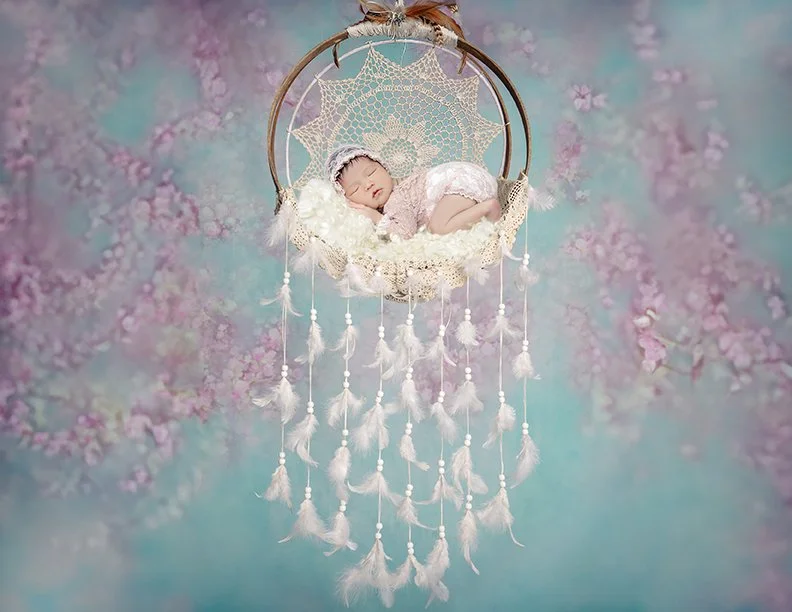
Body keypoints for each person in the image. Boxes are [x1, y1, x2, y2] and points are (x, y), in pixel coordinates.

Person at [326, 144, 501, 240]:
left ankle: (489, 208)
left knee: (438, 229)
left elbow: (405, 233)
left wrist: (375, 217)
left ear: (384, 167)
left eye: (371, 172)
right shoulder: (401, 192)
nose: (368, 184)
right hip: (470, 178)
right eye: (356, 189)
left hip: (462, 181)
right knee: (443, 224)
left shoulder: (396, 200)